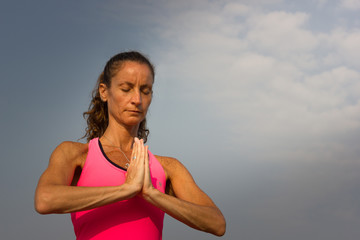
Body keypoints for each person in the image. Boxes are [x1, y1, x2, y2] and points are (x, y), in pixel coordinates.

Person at [34, 51, 226, 239]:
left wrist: (152, 194)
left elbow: (217, 223)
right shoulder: (75, 154)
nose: (137, 100)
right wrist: (126, 190)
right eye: (126, 89)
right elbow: (45, 199)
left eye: (145, 91)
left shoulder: (169, 168)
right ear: (104, 92)